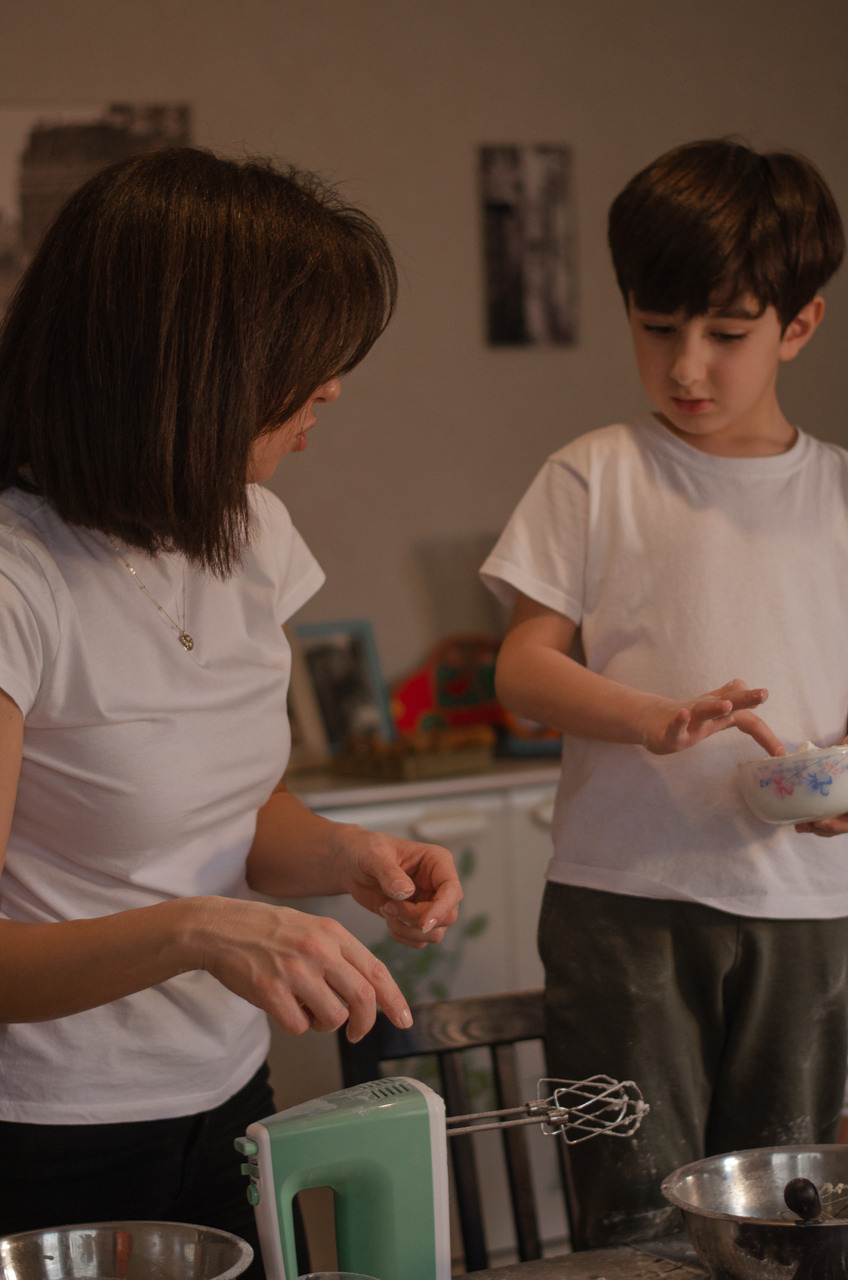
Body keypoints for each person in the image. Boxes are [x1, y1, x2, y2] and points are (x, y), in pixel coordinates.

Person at [0, 147, 462, 1262]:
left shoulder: (252, 532)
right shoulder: (21, 577)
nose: (332, 386)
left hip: (226, 1094)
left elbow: (240, 815)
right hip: (44, 1133)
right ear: (186, 367)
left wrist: (346, 851)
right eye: (304, 359)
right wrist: (197, 933)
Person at [480, 138, 847, 1249]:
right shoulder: (593, 473)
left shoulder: (835, 493)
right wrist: (650, 716)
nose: (686, 365)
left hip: (804, 904)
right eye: (656, 327)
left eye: (726, 334)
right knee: (635, 1223)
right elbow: (521, 672)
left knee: (790, 1223)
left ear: (797, 325)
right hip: (619, 900)